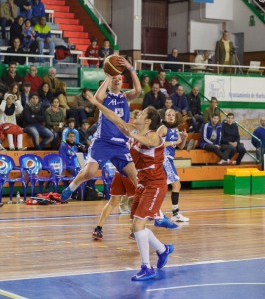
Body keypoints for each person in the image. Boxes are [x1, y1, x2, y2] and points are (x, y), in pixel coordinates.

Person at [87, 94, 174, 281]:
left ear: (148, 120)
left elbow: (148, 142)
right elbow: (115, 118)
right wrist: (97, 103)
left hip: (156, 185)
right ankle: (163, 249)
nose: (138, 114)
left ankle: (146, 267)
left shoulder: (154, 137)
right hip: (143, 184)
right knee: (136, 226)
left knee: (138, 225)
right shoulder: (136, 130)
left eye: (142, 113)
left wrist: (129, 132)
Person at [61, 56, 141, 202]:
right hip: (103, 141)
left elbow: (138, 90)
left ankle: (153, 211)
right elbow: (97, 98)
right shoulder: (106, 97)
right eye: (115, 78)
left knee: (136, 179)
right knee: (90, 172)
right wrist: (109, 76)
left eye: (120, 79)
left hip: (120, 144)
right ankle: (72, 186)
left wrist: (130, 68)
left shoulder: (125, 96)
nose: (117, 80)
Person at [157, 108, 189, 222]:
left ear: (175, 117)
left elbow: (180, 146)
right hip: (163, 158)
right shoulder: (163, 128)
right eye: (168, 115)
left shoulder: (175, 129)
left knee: (162, 187)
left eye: (172, 115)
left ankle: (155, 211)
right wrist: (173, 142)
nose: (170, 116)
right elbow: (155, 143)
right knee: (176, 185)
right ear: (165, 117)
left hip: (169, 159)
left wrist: (184, 138)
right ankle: (175, 214)